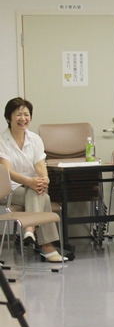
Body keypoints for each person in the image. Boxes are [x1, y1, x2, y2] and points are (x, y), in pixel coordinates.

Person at [0, 97, 64, 262]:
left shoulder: (35, 139)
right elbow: (7, 171)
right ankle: (45, 245)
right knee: (42, 196)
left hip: (34, 186)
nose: (23, 118)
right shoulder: (2, 141)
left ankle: (30, 231)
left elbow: (40, 166)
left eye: (26, 114)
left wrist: (45, 179)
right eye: (18, 114)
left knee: (37, 191)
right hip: (9, 189)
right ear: (8, 118)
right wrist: (30, 182)